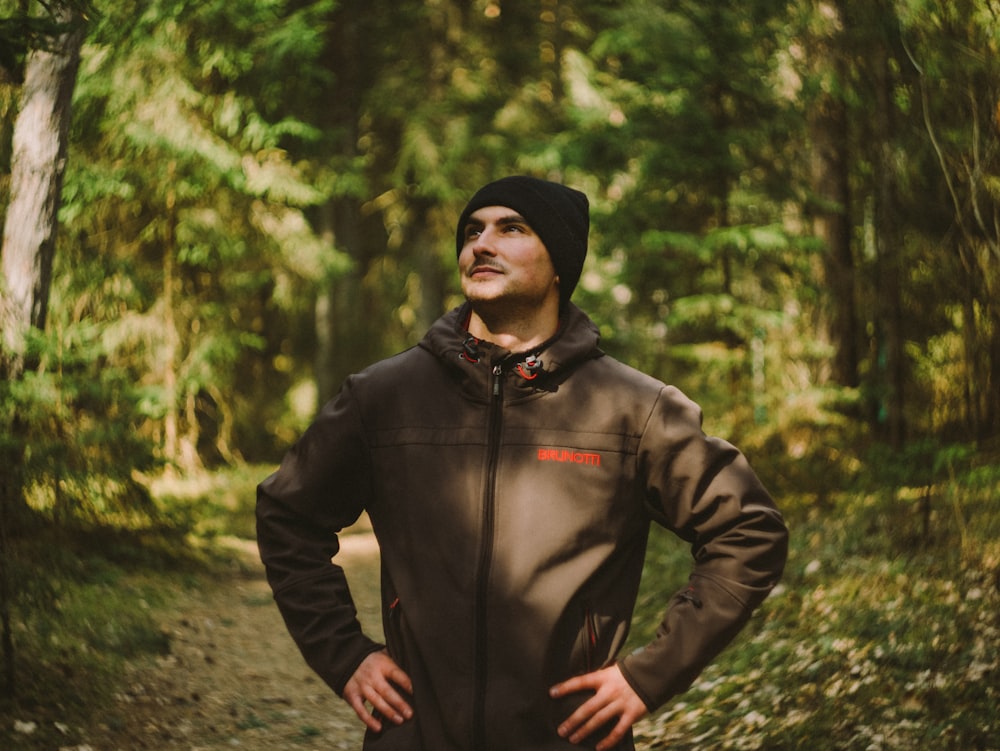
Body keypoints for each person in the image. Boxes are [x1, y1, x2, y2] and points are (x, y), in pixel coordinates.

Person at [256, 175, 788, 751]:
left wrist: (649, 676)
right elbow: (288, 515)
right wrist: (344, 655)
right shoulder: (384, 395)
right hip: (416, 736)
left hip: (567, 737)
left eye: (512, 228)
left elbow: (749, 530)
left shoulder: (634, 408)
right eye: (472, 230)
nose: (482, 243)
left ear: (559, 262)